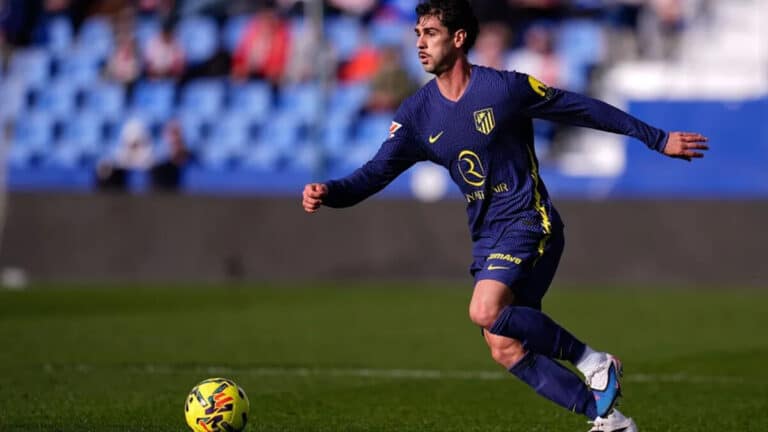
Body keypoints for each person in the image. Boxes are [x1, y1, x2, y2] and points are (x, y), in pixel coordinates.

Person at [301, 1, 709, 431]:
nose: (420, 43)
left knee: (484, 310)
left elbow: (582, 108)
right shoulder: (417, 115)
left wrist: (657, 137)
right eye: (417, 34)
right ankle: (611, 423)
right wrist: (330, 191)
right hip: (488, 238)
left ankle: (595, 362)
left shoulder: (504, 89)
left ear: (458, 39)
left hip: (531, 223)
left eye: (431, 33)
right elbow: (373, 174)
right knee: (504, 345)